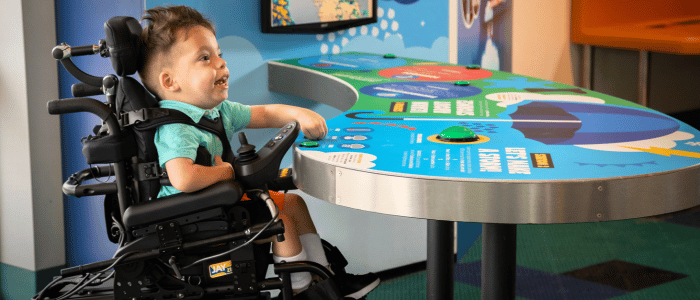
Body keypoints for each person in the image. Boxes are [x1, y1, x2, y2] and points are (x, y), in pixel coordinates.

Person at [137, 5, 379, 298]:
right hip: (193, 216)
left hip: (217, 204)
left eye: (219, 54)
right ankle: (301, 290)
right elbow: (183, 178)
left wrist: (300, 114)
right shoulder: (177, 127)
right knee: (280, 220)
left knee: (293, 204)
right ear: (169, 82)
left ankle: (325, 281)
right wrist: (227, 170)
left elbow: (263, 112)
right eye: (205, 58)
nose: (221, 64)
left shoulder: (217, 111)